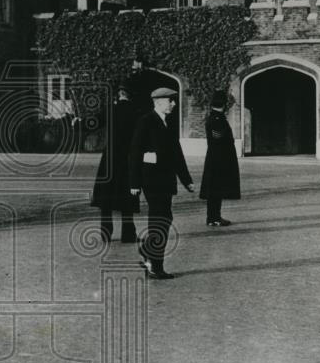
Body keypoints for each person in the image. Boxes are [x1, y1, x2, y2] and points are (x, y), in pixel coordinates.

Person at [129, 87, 194, 280]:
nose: (173, 104)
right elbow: (134, 153)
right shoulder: (146, 121)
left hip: (166, 180)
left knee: (164, 219)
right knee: (160, 220)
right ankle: (155, 266)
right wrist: (134, 182)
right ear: (158, 102)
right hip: (151, 181)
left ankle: (148, 251)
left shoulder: (169, 123)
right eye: (170, 100)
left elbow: (177, 154)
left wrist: (186, 180)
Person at [90, 85, 139, 242]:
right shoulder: (137, 111)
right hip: (128, 158)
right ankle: (128, 233)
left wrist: (76, 122)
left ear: (119, 94)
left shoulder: (111, 110)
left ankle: (105, 232)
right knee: (127, 195)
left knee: (106, 194)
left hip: (110, 157)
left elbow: (92, 123)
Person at [199, 90, 241, 227]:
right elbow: (219, 139)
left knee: (215, 190)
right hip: (218, 160)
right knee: (215, 191)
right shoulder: (217, 119)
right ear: (224, 104)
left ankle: (214, 217)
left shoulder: (216, 117)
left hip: (216, 159)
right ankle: (213, 218)